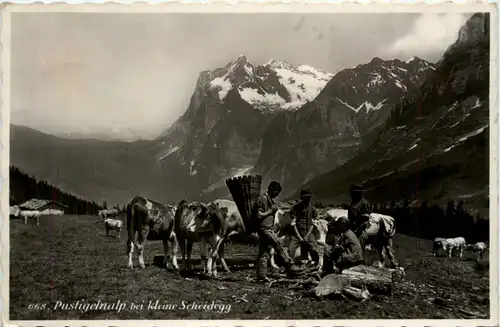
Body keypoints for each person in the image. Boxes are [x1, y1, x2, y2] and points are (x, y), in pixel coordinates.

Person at [252, 181, 302, 282]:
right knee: (279, 244)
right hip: (265, 229)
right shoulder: (262, 199)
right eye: (277, 191)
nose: (277, 194)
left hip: (266, 228)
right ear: (272, 189)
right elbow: (259, 215)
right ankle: (290, 265)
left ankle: (261, 276)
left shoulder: (269, 200)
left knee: (263, 253)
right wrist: (271, 211)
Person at [288, 189, 320, 264]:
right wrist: (299, 237)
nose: (308, 199)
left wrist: (306, 236)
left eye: (309, 197)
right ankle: (288, 265)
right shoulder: (295, 208)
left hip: (308, 231)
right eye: (306, 197)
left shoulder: (313, 209)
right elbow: (293, 224)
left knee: (313, 248)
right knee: (290, 250)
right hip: (296, 232)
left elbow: (313, 224)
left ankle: (316, 264)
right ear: (302, 198)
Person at [347, 184, 373, 250]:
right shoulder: (352, 203)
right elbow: (350, 217)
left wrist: (357, 230)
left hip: (361, 229)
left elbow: (365, 219)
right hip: (352, 228)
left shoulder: (364, 203)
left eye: (353, 192)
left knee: (359, 246)